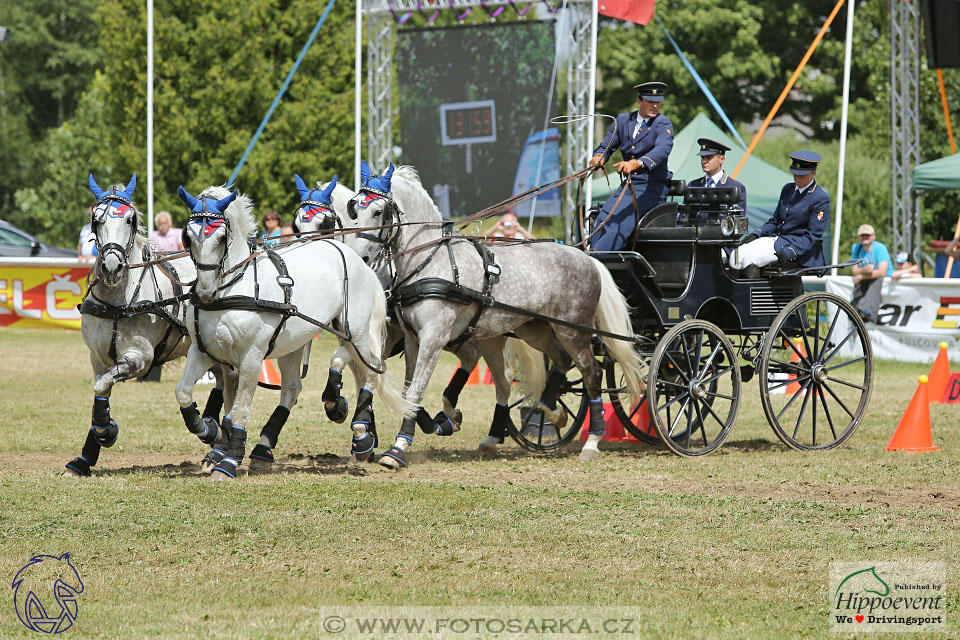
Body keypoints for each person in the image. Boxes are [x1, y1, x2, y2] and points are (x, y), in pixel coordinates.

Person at [588, 81, 674, 251]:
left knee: (619, 224)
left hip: (652, 189)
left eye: (658, 102)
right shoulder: (622, 120)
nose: (655, 106)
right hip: (628, 186)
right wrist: (599, 157)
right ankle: (593, 258)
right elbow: (607, 146)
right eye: (650, 101)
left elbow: (663, 149)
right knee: (602, 220)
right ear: (639, 101)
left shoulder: (663, 123)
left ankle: (597, 262)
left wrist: (637, 163)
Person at [730, 151, 829, 278]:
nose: (797, 178)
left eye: (802, 175)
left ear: (813, 172)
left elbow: (812, 236)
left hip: (795, 246)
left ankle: (756, 297)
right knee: (735, 257)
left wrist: (790, 252)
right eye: (795, 174)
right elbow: (775, 221)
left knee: (749, 260)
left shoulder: (819, 198)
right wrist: (756, 234)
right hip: (776, 239)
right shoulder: (788, 189)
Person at [687, 138, 746, 211]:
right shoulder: (693, 186)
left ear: (721, 159)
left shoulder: (736, 188)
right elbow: (684, 218)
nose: (704, 161)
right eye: (702, 157)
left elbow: (738, 219)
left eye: (709, 157)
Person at [849, 223, 892, 323]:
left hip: (886, 284)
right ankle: (862, 310)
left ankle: (867, 309)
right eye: (862, 235)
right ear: (859, 237)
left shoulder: (880, 248)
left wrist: (862, 276)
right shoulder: (856, 248)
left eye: (867, 235)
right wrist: (864, 271)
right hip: (866, 283)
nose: (865, 237)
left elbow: (882, 272)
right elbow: (854, 270)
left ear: (873, 236)